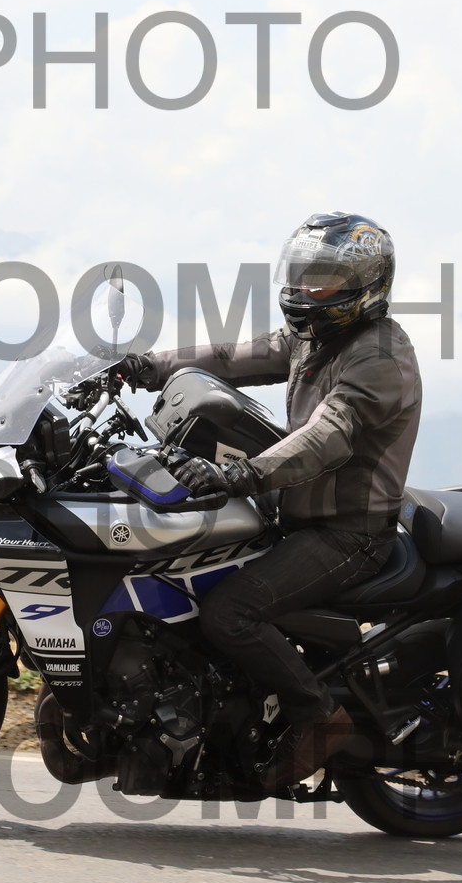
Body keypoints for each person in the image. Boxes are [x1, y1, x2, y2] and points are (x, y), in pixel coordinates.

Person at [118, 212, 422, 788]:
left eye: (324, 281)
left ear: (366, 287)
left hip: (347, 532)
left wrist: (242, 475)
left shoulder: (380, 357)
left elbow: (328, 436)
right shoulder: (316, 337)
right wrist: (145, 366)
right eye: (302, 276)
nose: (307, 291)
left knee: (230, 613)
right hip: (292, 510)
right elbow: (232, 357)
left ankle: (320, 718)